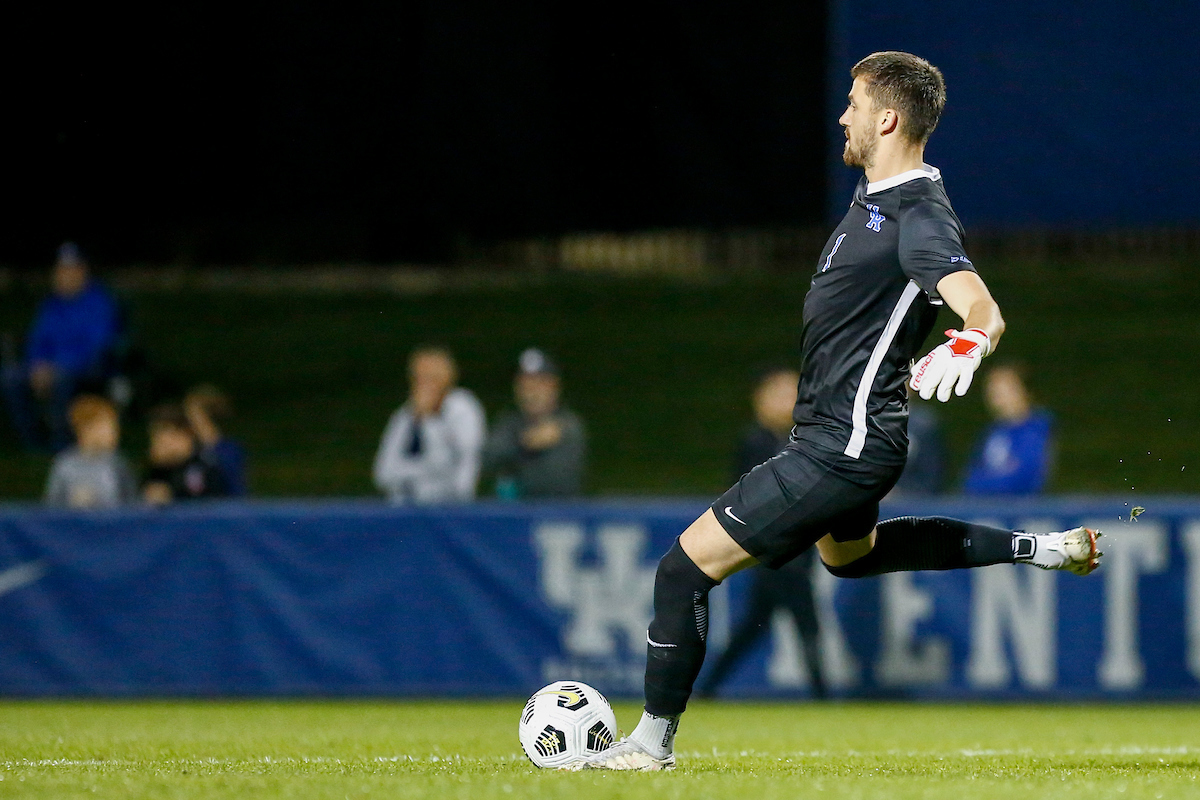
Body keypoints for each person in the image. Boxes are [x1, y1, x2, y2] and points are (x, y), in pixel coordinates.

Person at [581, 51, 1101, 772]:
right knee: (849, 560)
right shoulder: (878, 202)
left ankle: (648, 746)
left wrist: (971, 339)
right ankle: (1042, 548)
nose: (842, 115)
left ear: (887, 118)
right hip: (856, 441)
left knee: (681, 571)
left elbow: (980, 303)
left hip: (841, 448)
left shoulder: (916, 214)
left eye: (853, 102)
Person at [696, 368, 825, 699]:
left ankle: (708, 689)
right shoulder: (756, 441)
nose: (788, 401)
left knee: (761, 626)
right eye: (779, 394)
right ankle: (821, 694)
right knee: (801, 623)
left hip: (799, 549)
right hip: (773, 551)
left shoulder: (811, 438)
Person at [2, 243, 121, 451]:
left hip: (85, 369)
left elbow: (97, 347)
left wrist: (56, 366)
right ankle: (33, 443)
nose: (62, 275)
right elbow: (37, 340)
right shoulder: (51, 304)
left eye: (68, 270)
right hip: (47, 368)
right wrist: (37, 365)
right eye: (59, 269)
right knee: (10, 377)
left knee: (61, 379)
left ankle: (61, 444)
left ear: (82, 271)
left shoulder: (100, 303)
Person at [373, 346, 486, 504]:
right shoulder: (404, 416)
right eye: (418, 378)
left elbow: (449, 465)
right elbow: (383, 474)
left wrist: (427, 420)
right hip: (405, 508)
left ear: (447, 379)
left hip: (449, 508)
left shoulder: (462, 408)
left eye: (431, 377)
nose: (423, 385)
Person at [482, 348, 586, 499]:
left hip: (558, 516)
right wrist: (523, 443)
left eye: (539, 383)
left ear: (554, 386)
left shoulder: (569, 424)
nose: (531, 391)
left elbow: (562, 482)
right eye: (525, 384)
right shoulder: (508, 423)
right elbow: (488, 460)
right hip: (515, 514)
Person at [964, 364, 1054, 495]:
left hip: (1025, 510)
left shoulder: (1038, 429)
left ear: (1026, 391)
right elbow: (971, 476)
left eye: (1006, 390)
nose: (999, 399)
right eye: (993, 391)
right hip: (986, 509)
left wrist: (987, 485)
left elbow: (1025, 476)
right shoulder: (991, 432)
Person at [44, 395, 137, 508]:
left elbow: (133, 506)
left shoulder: (118, 463)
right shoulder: (64, 465)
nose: (114, 434)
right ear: (87, 429)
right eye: (107, 427)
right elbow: (50, 508)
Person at [142, 404, 229, 504]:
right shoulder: (157, 472)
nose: (162, 444)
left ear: (187, 435)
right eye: (156, 438)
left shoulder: (205, 465)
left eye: (169, 435)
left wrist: (170, 494)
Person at [184, 384, 249, 496]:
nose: (187, 421)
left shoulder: (229, 450)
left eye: (192, 415)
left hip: (227, 509)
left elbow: (232, 483)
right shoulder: (193, 449)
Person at [889, 386, 945, 496]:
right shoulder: (856, 418)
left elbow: (933, 475)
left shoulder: (924, 423)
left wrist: (900, 493)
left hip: (910, 503)